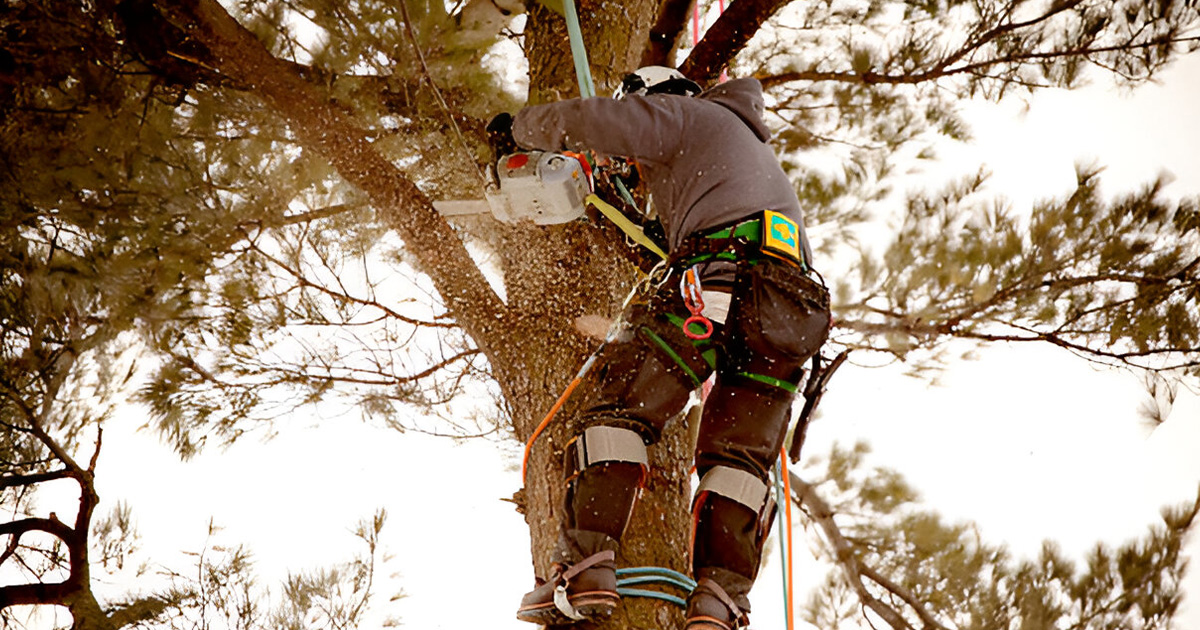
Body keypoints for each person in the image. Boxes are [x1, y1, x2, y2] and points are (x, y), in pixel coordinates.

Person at [492, 66, 831, 630]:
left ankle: (583, 573)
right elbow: (663, 243)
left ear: (653, 99)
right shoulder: (738, 156)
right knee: (739, 461)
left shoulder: (683, 115)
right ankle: (719, 602)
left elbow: (594, 121)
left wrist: (519, 129)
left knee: (621, 412)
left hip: (718, 281)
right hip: (789, 313)